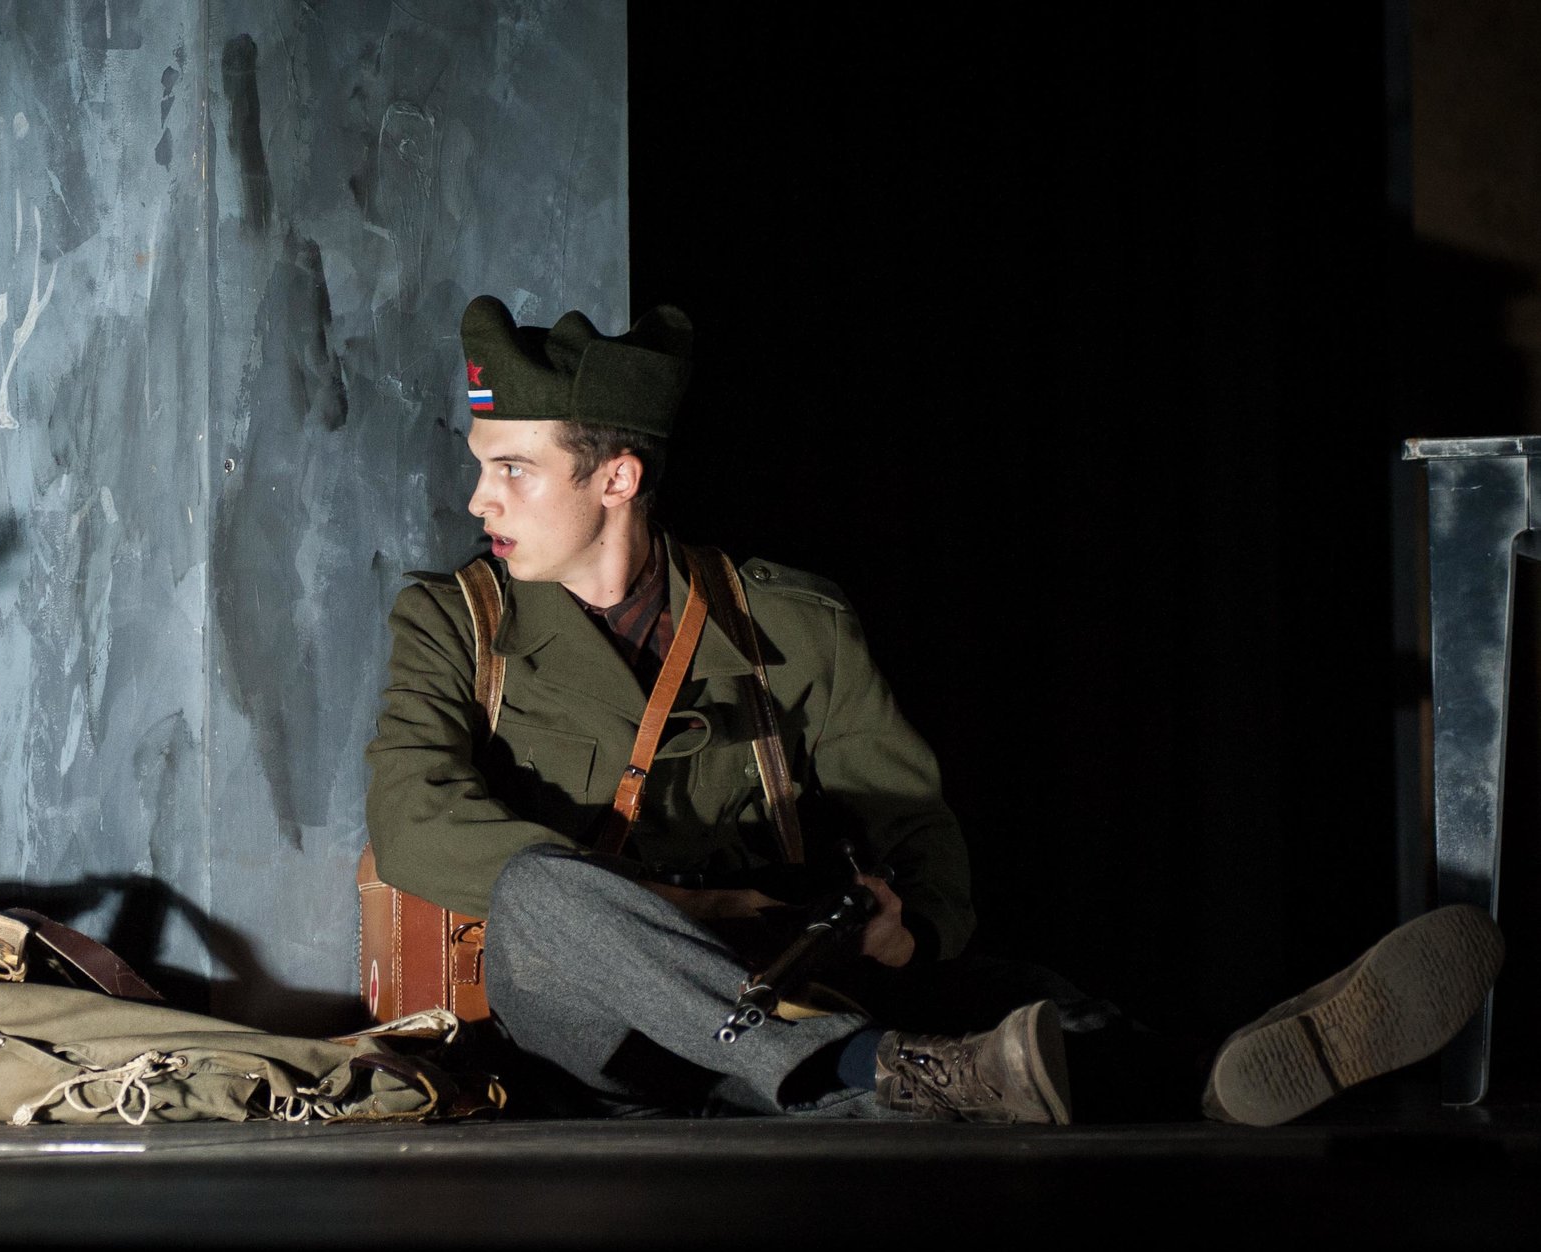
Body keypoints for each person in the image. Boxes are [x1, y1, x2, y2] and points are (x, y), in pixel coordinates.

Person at [363, 295, 1503, 1124]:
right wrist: (689, 904)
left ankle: (1239, 1061)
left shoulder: (786, 619)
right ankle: (907, 1069)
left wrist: (907, 925)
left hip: (792, 980)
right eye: (483, 465)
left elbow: (912, 817)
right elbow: (414, 820)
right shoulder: (454, 622)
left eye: (513, 469)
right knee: (543, 898)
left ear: (616, 478)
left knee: (1033, 1012)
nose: (480, 498)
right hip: (607, 1025)